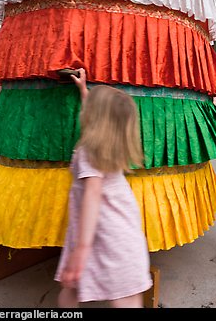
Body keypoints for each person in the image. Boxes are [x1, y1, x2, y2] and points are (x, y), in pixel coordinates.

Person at [55, 68, 153, 308]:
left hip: (107, 236)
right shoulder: (103, 147)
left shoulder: (89, 153)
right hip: (116, 230)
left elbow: (92, 195)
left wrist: (81, 249)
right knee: (79, 289)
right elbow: (99, 117)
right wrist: (83, 90)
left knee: (117, 297)